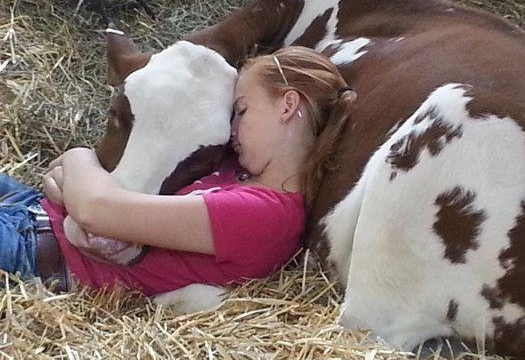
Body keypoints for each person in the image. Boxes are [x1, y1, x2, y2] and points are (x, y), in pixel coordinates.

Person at [0, 46, 356, 296]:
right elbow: (70, 189)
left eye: (242, 110)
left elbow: (95, 210)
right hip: (33, 209)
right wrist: (69, 187)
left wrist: (77, 157)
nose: (230, 128)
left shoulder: (265, 216)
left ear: (287, 105)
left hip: (35, 256)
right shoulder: (235, 168)